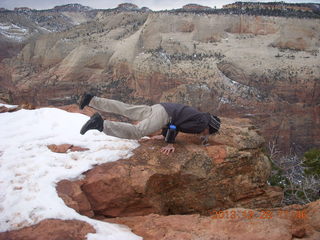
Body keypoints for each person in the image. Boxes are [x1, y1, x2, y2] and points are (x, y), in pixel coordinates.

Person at [79, 93, 221, 155]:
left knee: (126, 109)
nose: (206, 135)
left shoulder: (200, 116)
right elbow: (175, 124)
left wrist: (163, 135)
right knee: (138, 132)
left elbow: (178, 120)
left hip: (161, 107)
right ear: (209, 128)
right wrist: (169, 142)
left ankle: (92, 100)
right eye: (209, 133)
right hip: (165, 115)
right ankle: (101, 124)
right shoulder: (201, 124)